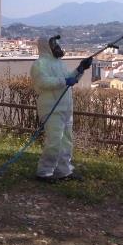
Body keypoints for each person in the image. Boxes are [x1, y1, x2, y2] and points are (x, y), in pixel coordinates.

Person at [31, 35, 92, 182]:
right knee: (54, 141)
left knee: (66, 141)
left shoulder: (60, 64)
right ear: (47, 46)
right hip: (51, 108)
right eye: (54, 44)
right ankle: (44, 172)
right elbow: (43, 82)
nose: (58, 47)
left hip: (65, 107)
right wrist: (64, 81)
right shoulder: (39, 64)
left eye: (57, 44)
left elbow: (71, 79)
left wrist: (81, 68)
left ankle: (64, 171)